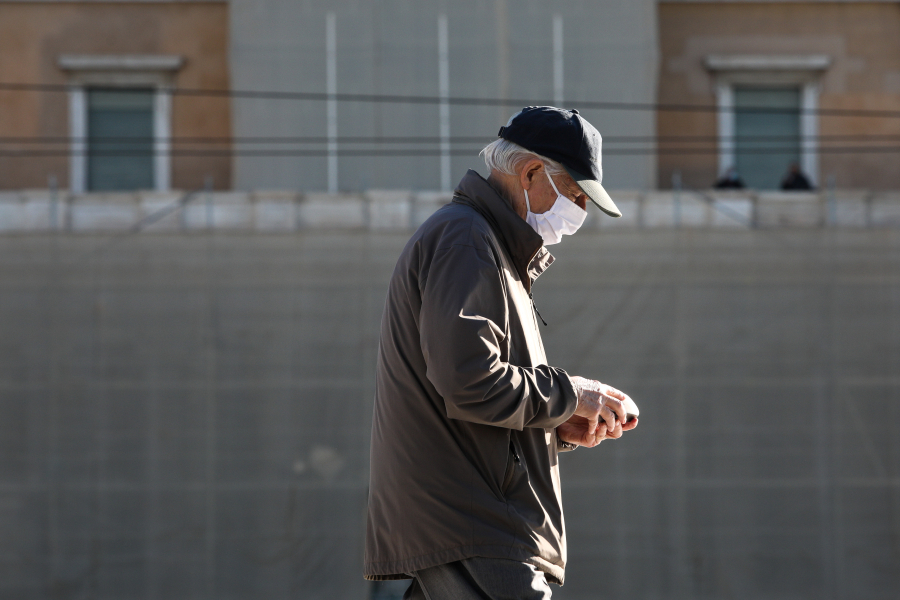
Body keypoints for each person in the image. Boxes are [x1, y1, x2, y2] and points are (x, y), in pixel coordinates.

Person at [364, 107, 639, 599]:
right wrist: (572, 395)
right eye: (575, 194)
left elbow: (471, 391)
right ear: (531, 172)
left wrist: (557, 422)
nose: (576, 212)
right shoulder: (467, 238)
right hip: (479, 524)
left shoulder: (480, 242)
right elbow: (470, 380)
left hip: (466, 521)